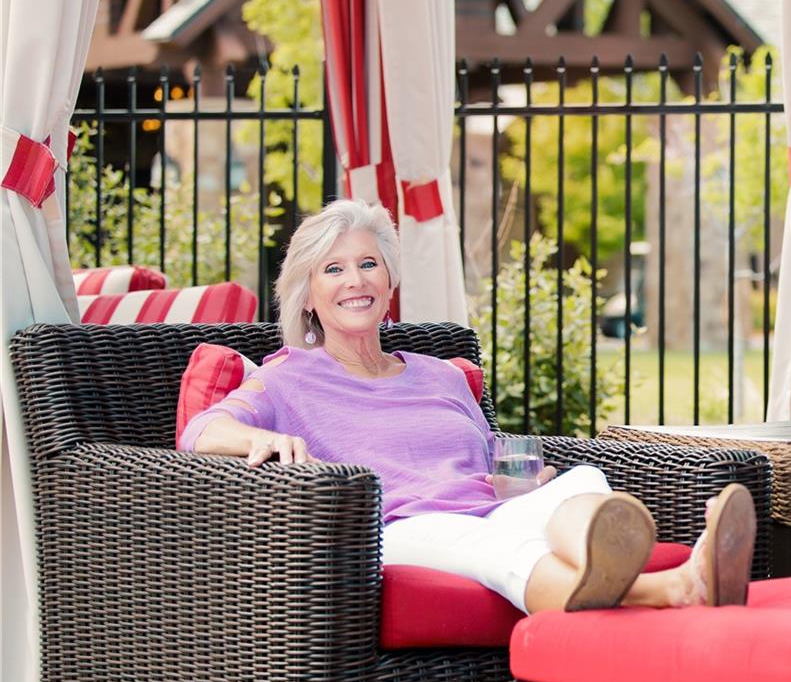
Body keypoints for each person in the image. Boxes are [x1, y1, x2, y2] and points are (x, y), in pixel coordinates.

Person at [180, 199, 755, 614]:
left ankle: (604, 556)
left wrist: (524, 484)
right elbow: (201, 431)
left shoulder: (440, 374)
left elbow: (488, 459)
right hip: (401, 527)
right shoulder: (286, 378)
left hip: (488, 507)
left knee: (582, 477)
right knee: (507, 548)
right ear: (308, 296)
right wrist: (256, 439)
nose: (354, 280)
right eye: (333, 269)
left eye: (367, 264)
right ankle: (670, 586)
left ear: (389, 279)